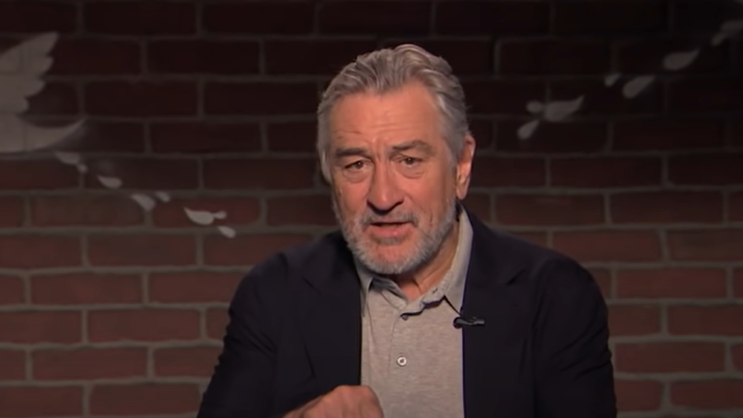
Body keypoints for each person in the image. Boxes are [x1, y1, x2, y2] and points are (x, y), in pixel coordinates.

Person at [197, 44, 617, 418]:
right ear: (329, 172)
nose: (383, 197)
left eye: (409, 161)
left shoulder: (555, 296)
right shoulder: (275, 292)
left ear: (461, 164)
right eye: (356, 164)